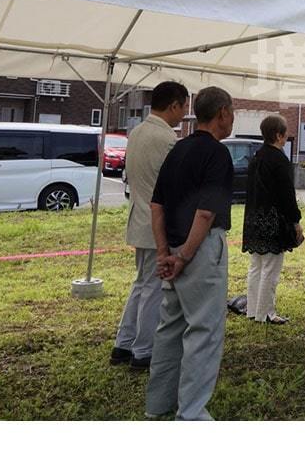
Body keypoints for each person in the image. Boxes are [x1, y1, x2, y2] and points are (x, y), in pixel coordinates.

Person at [145, 86, 234, 421]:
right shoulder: (218, 155)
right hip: (200, 249)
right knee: (203, 330)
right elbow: (206, 213)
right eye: (232, 111)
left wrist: (164, 253)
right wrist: (183, 256)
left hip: (172, 247)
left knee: (170, 328)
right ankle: (192, 413)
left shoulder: (177, 149)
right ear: (223, 112)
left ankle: (158, 405)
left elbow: (157, 205)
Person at [111, 81, 188, 370]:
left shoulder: (137, 132)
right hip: (158, 224)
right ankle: (143, 350)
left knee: (142, 285)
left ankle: (124, 342)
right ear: (173, 106)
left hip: (139, 219)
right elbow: (173, 188)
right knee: (154, 289)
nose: (183, 115)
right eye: (183, 108)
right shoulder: (166, 140)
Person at [241, 114, 303, 324]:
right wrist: (295, 220)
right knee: (271, 268)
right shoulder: (279, 160)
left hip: (253, 218)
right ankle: (265, 312)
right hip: (273, 220)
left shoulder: (257, 156)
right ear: (278, 135)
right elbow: (287, 195)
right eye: (285, 134)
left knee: (256, 265)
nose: (286, 138)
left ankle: (252, 310)